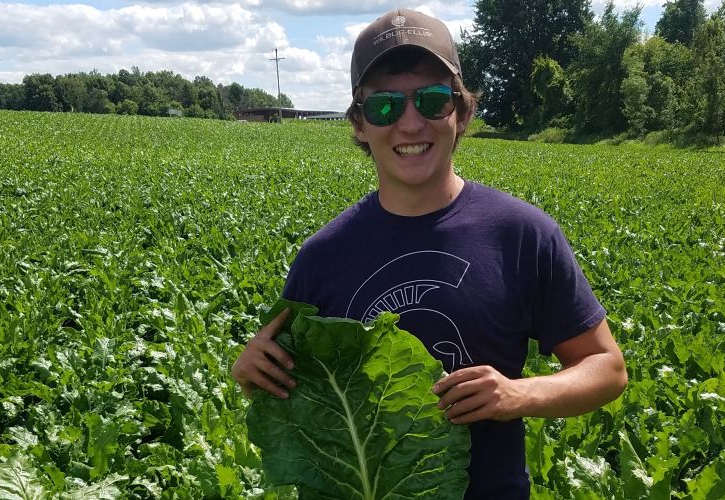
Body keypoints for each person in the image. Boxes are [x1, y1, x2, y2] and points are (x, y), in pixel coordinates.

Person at [232, 8, 627, 499]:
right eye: (384, 107)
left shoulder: (522, 235)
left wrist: (518, 393)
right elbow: (290, 385)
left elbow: (607, 369)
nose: (410, 123)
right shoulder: (323, 256)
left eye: (433, 100)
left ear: (461, 112)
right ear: (359, 124)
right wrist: (252, 372)